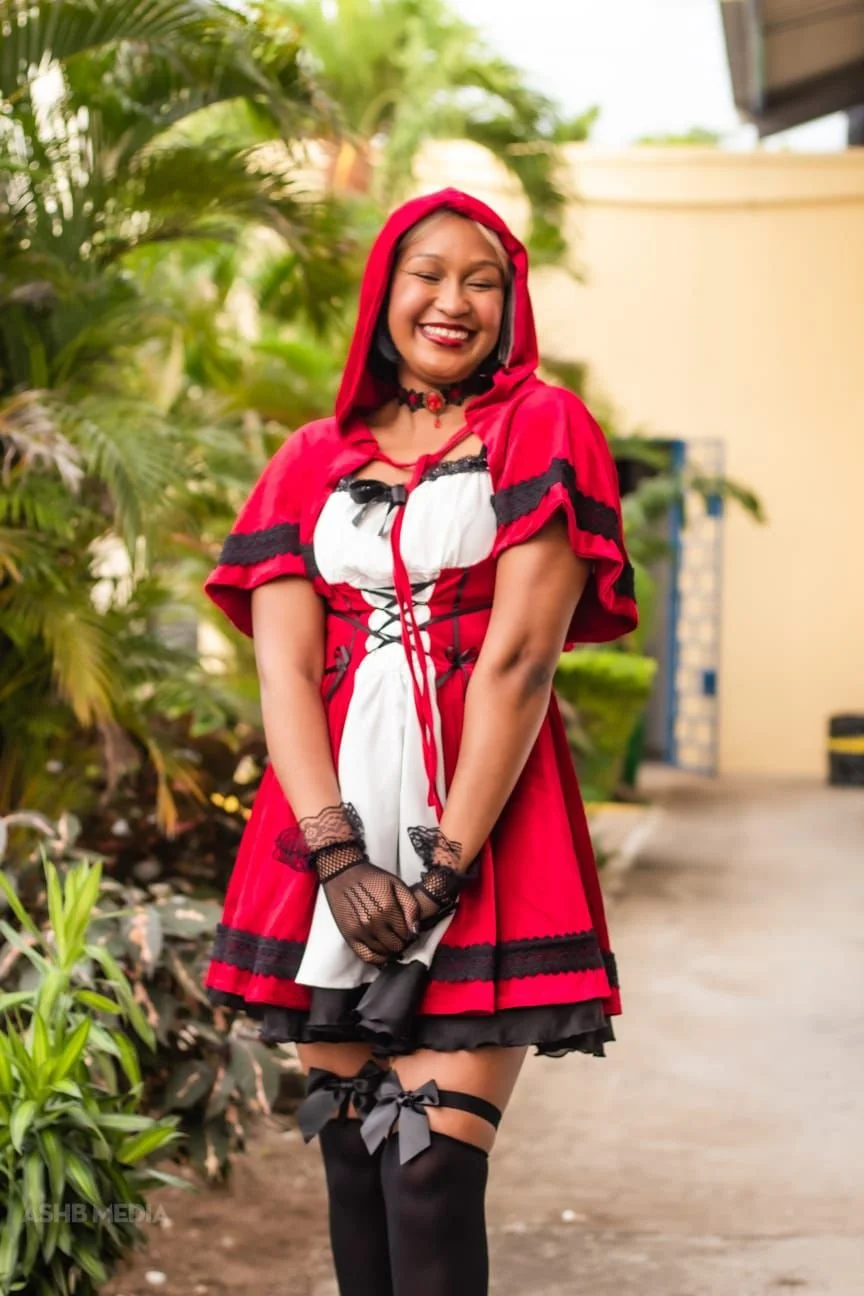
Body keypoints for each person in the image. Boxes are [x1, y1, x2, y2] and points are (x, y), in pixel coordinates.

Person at [203, 188, 637, 1296]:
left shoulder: (544, 427)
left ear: (512, 301)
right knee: (354, 1156)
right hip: (324, 833)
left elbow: (520, 664)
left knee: (429, 1168)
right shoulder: (311, 456)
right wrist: (336, 860)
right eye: (428, 275)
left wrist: (441, 868)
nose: (454, 301)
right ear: (384, 293)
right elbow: (286, 667)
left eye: (483, 281)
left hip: (483, 830)